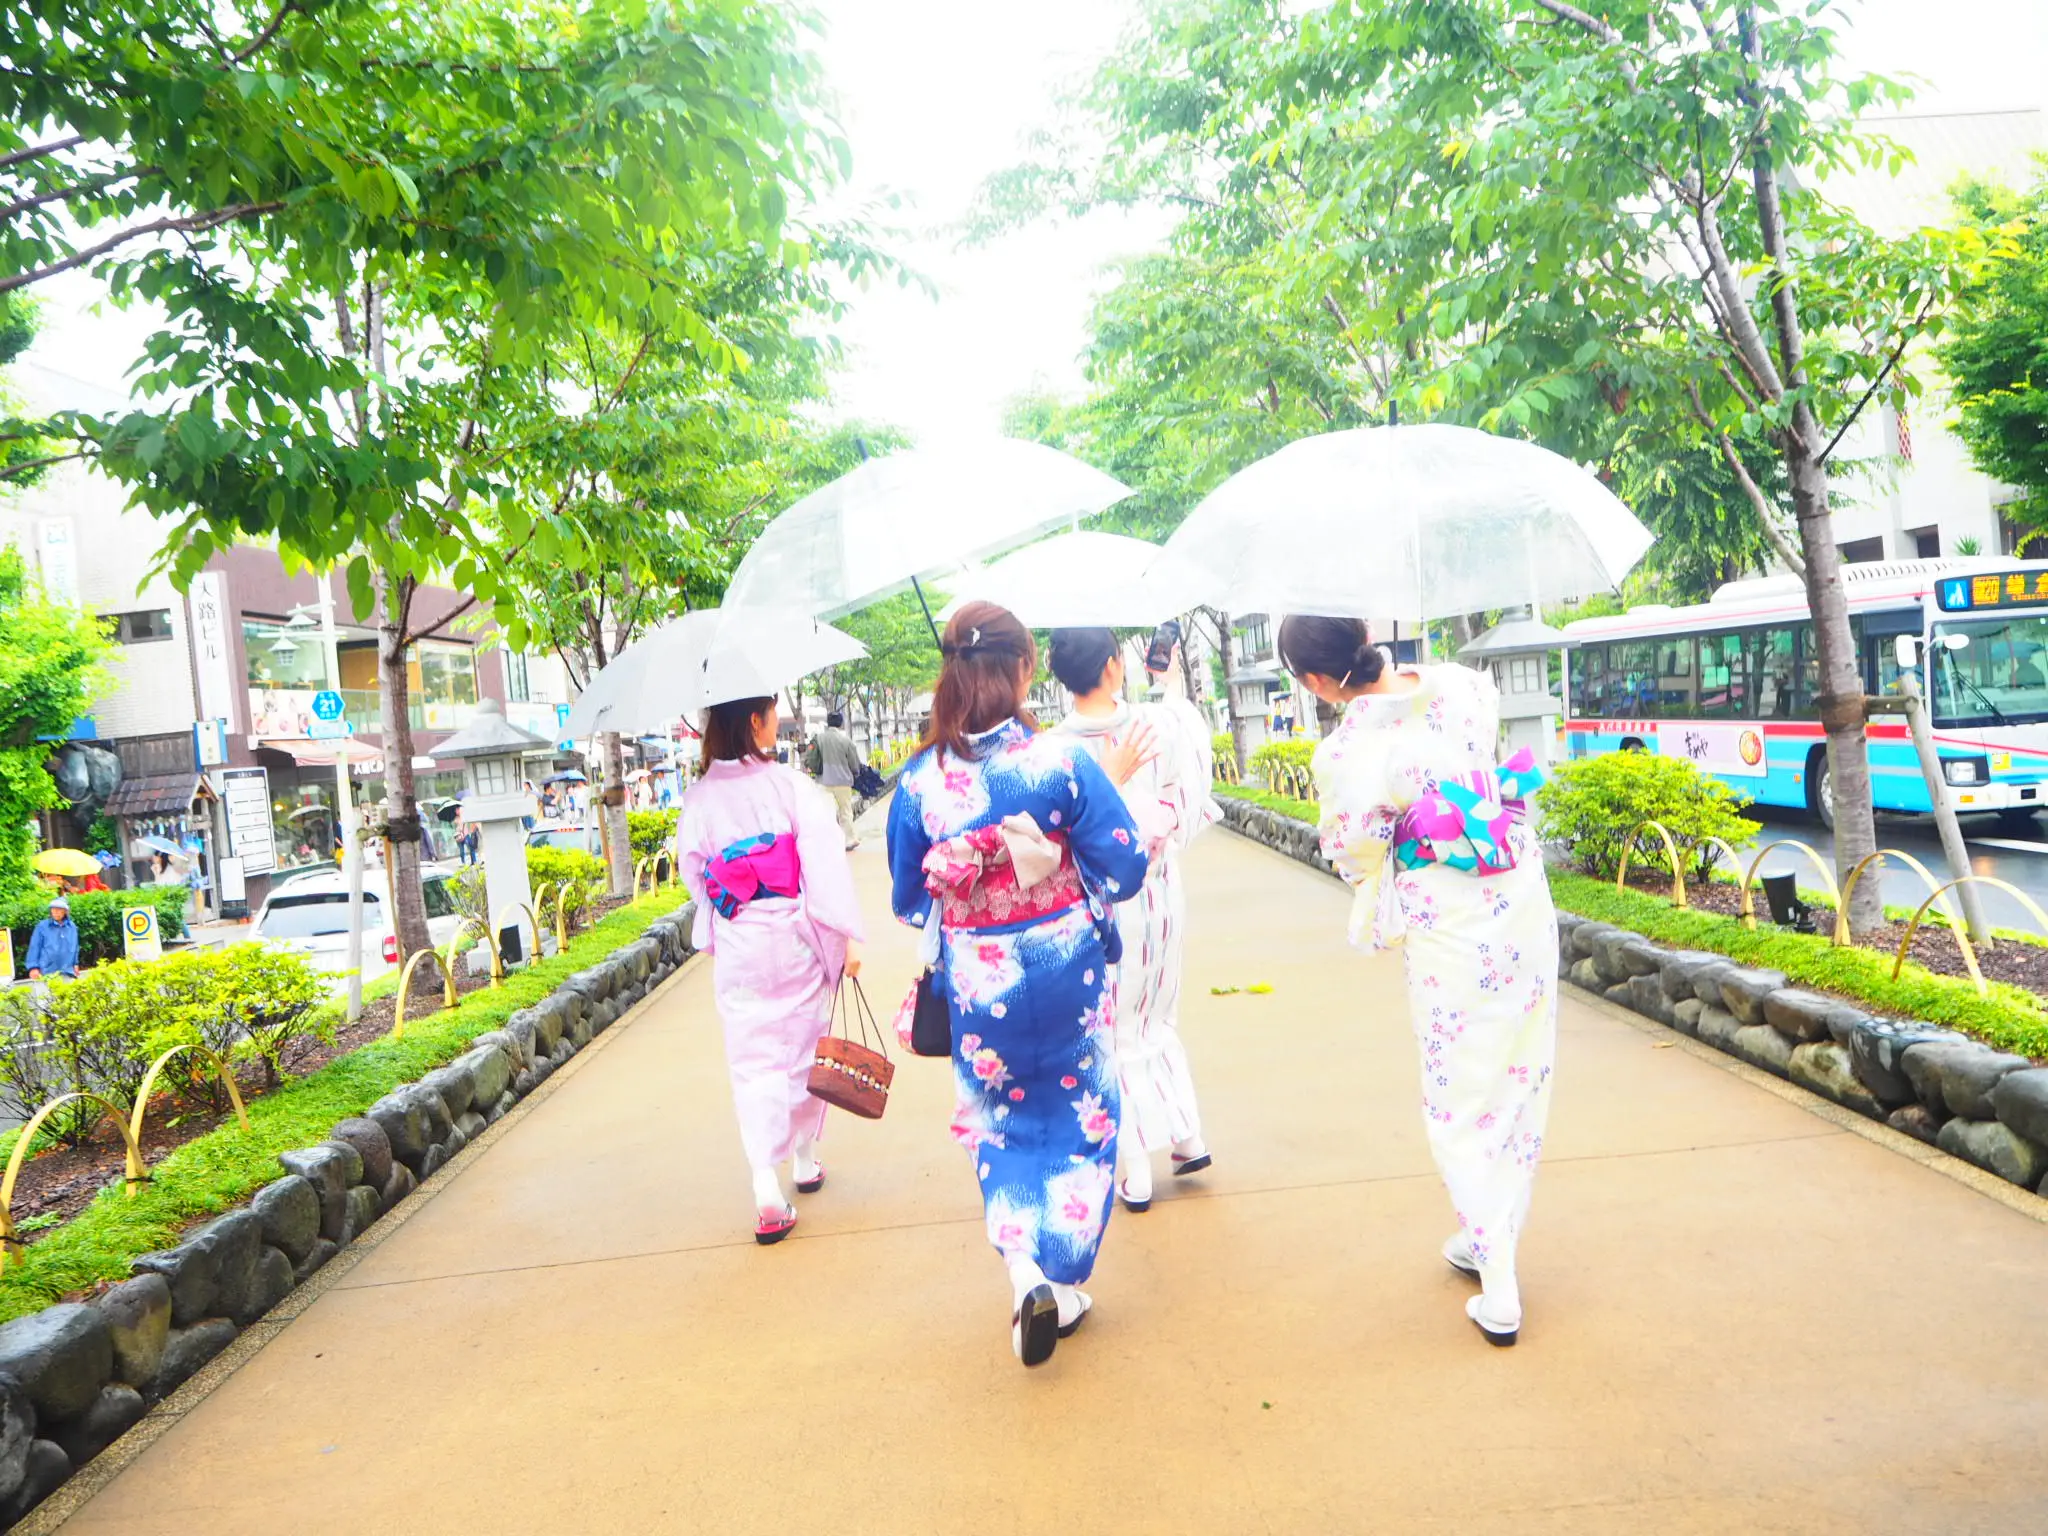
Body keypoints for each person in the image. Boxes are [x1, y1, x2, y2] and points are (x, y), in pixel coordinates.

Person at [885, 603, 1151, 1368]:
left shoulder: (921, 782)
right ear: (1025, 668)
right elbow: (1126, 865)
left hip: (979, 978)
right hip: (1065, 963)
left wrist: (974, 873)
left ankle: (1022, 1269)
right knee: (1082, 1112)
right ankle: (1063, 1279)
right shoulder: (1060, 761)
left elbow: (910, 898)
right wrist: (1058, 864)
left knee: (999, 1122)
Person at [1280, 615, 1556, 1348]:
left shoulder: (1345, 751)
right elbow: (1482, 765)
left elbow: (1350, 851)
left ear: (1314, 681)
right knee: (1519, 1069)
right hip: (1518, 894)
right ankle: (1487, 1230)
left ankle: (1499, 1286)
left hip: (1450, 920)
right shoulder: (1465, 685)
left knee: (1459, 1092)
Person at [676, 693, 865, 1246]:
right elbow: (824, 863)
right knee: (805, 1046)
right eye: (771, 713)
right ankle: (804, 1159)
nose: (775, 722)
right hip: (794, 935)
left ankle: (766, 1183)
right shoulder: (789, 786)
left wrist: (728, 906)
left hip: (741, 941)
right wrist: (844, 935)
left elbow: (696, 873)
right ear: (756, 721)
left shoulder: (700, 798)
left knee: (754, 1060)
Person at [1049, 627, 1218, 1214]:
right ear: (1116, 666)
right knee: (1157, 1012)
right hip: (1161, 890)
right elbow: (1189, 791)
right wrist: (1161, 826)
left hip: (1098, 903)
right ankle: (1187, 1137)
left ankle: (1137, 1171)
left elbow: (1052, 832)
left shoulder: (1053, 749)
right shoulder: (1158, 726)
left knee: (1114, 1029)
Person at [814, 711, 865, 852]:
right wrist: (855, 773)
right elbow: (854, 763)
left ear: (828, 722)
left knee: (827, 812)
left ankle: (828, 841)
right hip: (843, 781)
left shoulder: (819, 738)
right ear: (841, 723)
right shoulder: (845, 740)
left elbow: (812, 758)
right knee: (846, 811)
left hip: (824, 781)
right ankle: (849, 839)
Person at [24, 895, 80, 985]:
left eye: (59, 909)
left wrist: (75, 964)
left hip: (67, 971)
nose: (55, 912)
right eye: (53, 909)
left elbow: (75, 946)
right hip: (46, 972)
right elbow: (35, 947)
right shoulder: (42, 926)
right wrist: (33, 967)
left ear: (65, 911)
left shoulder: (72, 927)